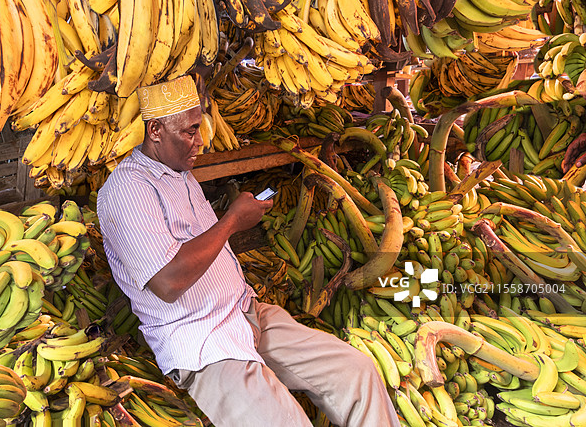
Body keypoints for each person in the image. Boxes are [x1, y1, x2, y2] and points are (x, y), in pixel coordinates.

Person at [96, 75, 400, 427]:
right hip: (203, 345)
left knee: (357, 372)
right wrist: (231, 222)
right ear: (155, 131)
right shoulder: (126, 190)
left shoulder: (178, 170)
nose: (201, 141)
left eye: (201, 128)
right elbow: (167, 282)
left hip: (246, 313)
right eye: (190, 132)